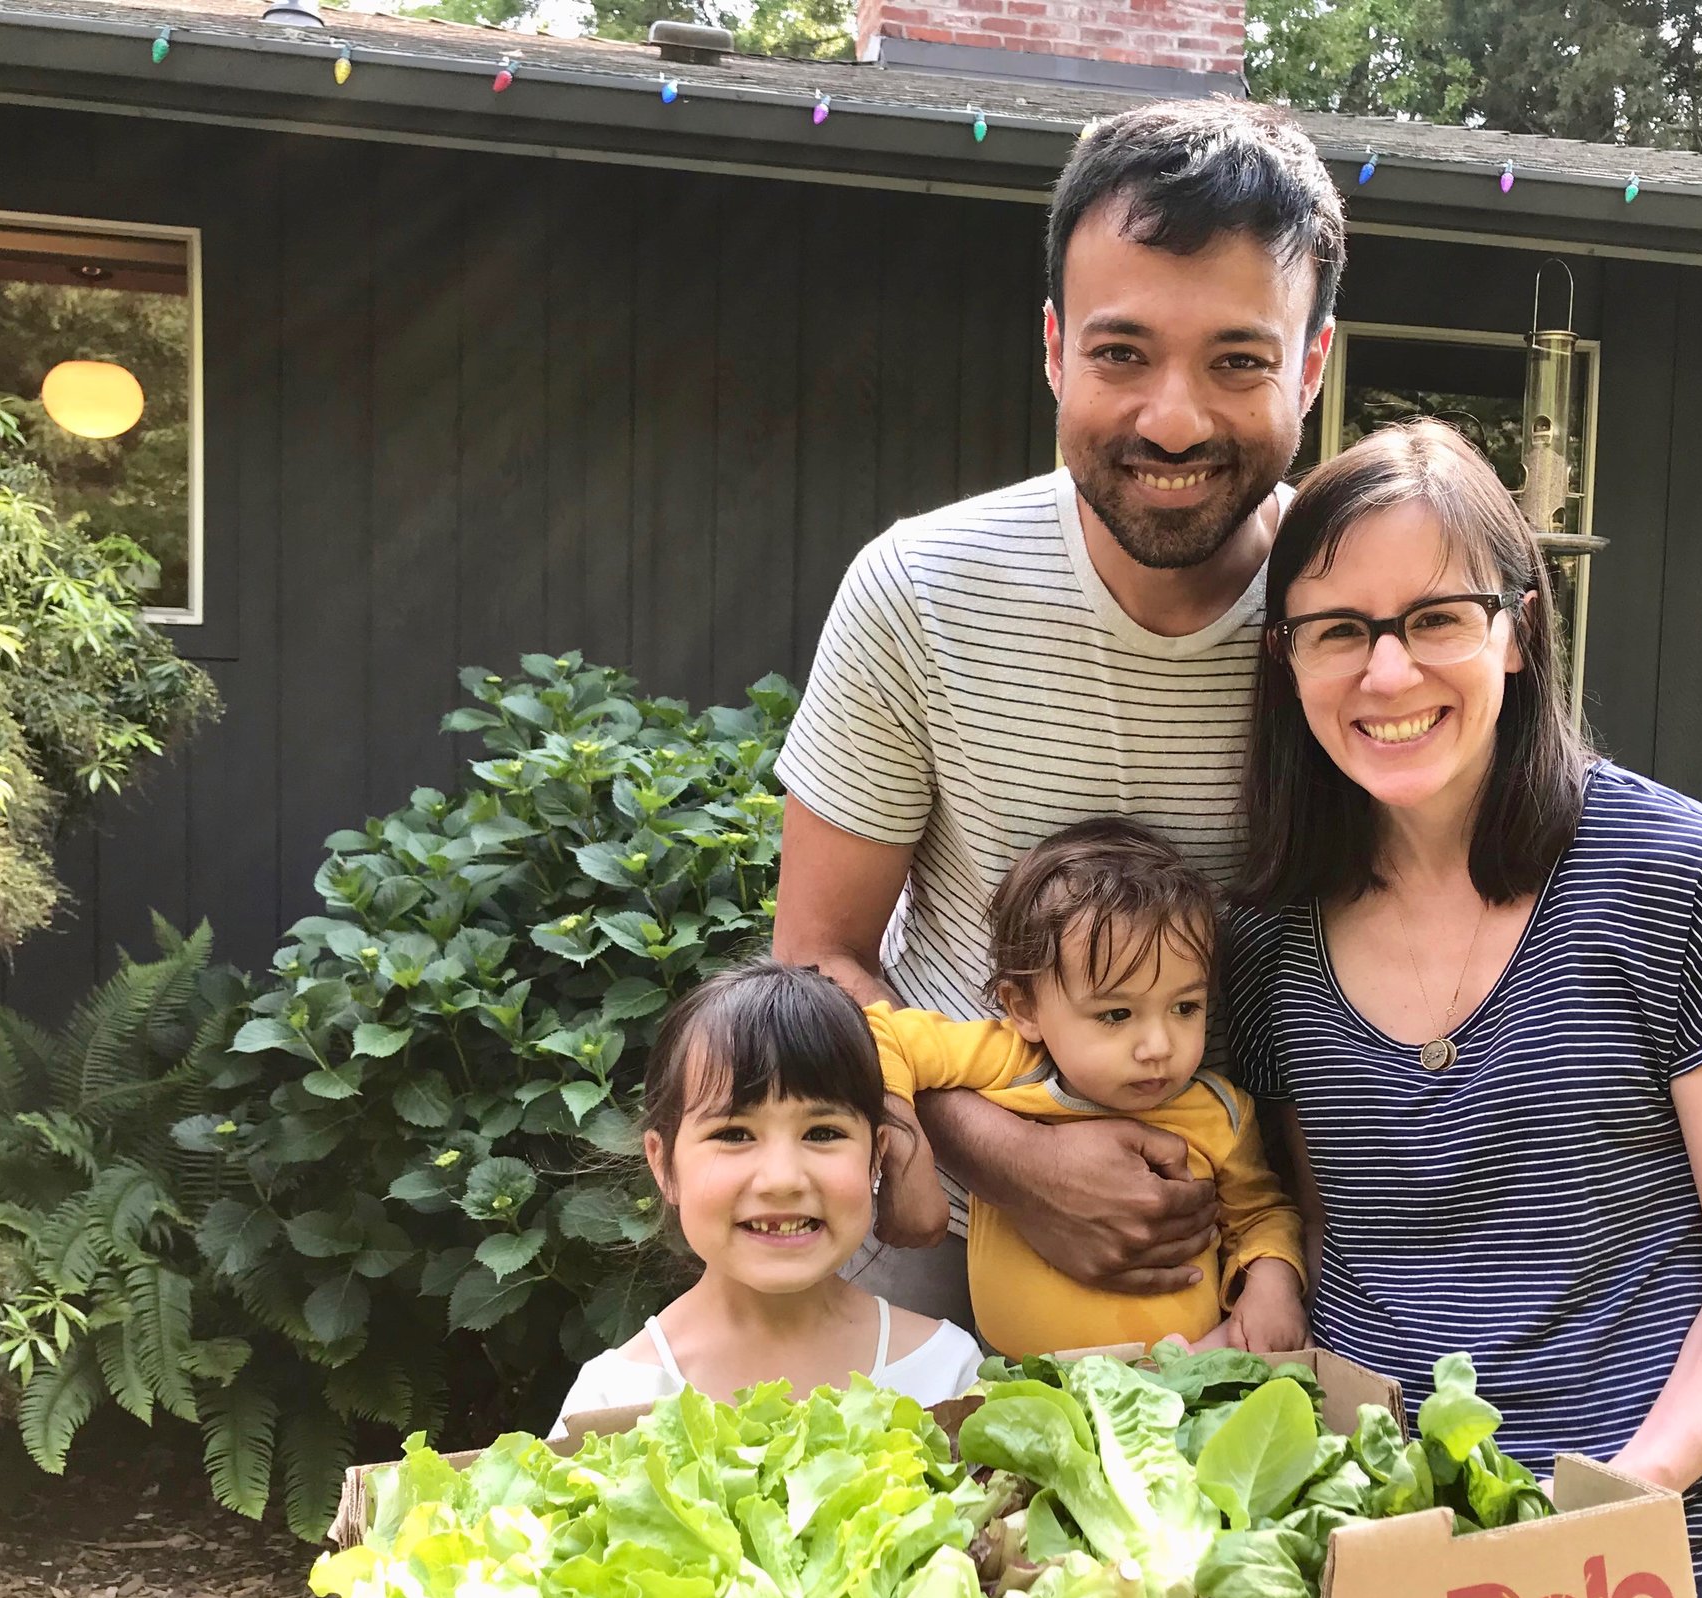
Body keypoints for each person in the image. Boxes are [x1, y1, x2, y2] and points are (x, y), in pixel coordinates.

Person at [1219, 420, 1702, 1598]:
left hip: (1656, 1582)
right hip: (1380, 1594)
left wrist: (1611, 1505)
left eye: (1437, 617)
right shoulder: (1266, 934)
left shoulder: (1677, 874)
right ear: (1288, 656)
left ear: (1519, 626)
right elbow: (1325, 1216)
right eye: (1340, 630)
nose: (1388, 670)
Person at [772, 98, 1346, 1330]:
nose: (1174, 419)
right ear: (1051, 347)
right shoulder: (918, 590)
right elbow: (817, 960)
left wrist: (1270, 1252)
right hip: (935, 1221)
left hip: (1264, 1240)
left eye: (1239, 360)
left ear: (1311, 363)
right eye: (1120, 352)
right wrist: (1016, 1160)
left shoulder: (1365, 619)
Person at [867, 817, 1308, 1358]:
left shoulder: (1217, 1113)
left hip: (1182, 1385)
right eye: (1117, 1013)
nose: (1158, 1046)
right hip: (1023, 1387)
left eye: (1185, 1007)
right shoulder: (1006, 1063)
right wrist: (905, 1158)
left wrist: (1272, 1280)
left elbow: (1261, 1214)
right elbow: (876, 1033)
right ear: (1024, 1008)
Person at [548, 960, 980, 1432]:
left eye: (822, 1133)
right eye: (734, 1135)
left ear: (876, 1157)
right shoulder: (613, 1403)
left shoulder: (946, 1374)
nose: (782, 1179)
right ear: (664, 1164)